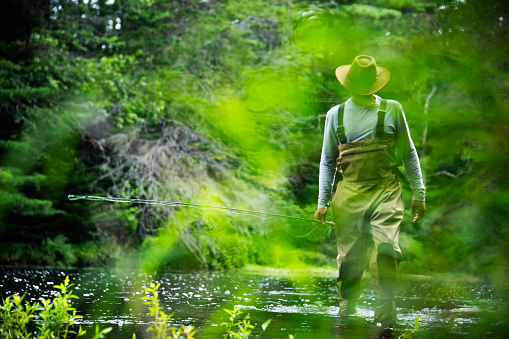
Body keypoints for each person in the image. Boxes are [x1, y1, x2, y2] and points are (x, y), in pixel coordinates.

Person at [313, 55, 426, 328]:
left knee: (386, 252)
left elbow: (409, 153)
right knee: (350, 261)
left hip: (386, 191)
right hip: (347, 195)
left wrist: (419, 193)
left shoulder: (393, 110)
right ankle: (346, 317)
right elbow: (327, 160)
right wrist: (322, 201)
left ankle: (386, 319)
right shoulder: (334, 115)